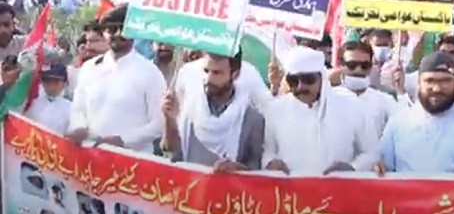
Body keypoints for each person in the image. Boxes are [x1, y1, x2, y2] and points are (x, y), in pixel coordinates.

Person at [263, 46, 378, 174]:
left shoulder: (350, 106)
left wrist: (352, 168)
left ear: (321, 79)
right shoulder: (276, 109)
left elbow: (371, 153)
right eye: (294, 81)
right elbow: (267, 150)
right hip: (291, 191)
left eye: (308, 80)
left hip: (339, 189)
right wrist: (270, 162)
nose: (301, 87)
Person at [67, 5, 166, 153]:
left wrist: (122, 140)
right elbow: (78, 110)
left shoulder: (150, 72)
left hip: (132, 162)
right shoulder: (89, 68)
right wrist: (79, 127)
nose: (118, 34)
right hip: (91, 157)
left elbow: (158, 124)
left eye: (124, 29)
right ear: (104, 33)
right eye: (112, 29)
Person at [378, 52, 454, 176]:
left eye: (445, 81)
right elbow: (385, 170)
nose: (437, 89)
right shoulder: (397, 123)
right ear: (419, 83)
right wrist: (378, 166)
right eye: (430, 81)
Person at [161, 50, 264, 170]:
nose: (208, 79)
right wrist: (169, 120)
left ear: (235, 75)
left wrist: (238, 169)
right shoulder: (190, 104)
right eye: (206, 71)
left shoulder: (251, 118)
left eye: (217, 73)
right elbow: (171, 150)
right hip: (190, 185)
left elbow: (256, 169)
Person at [333, 41, 411, 137]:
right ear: (342, 65)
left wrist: (400, 90)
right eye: (352, 65)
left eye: (364, 66)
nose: (359, 70)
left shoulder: (382, 100)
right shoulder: (329, 98)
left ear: (371, 66)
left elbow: (407, 123)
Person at [25, 64, 72, 135]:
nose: (51, 86)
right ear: (42, 83)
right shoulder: (32, 101)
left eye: (56, 82)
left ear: (64, 84)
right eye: (48, 81)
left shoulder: (70, 108)